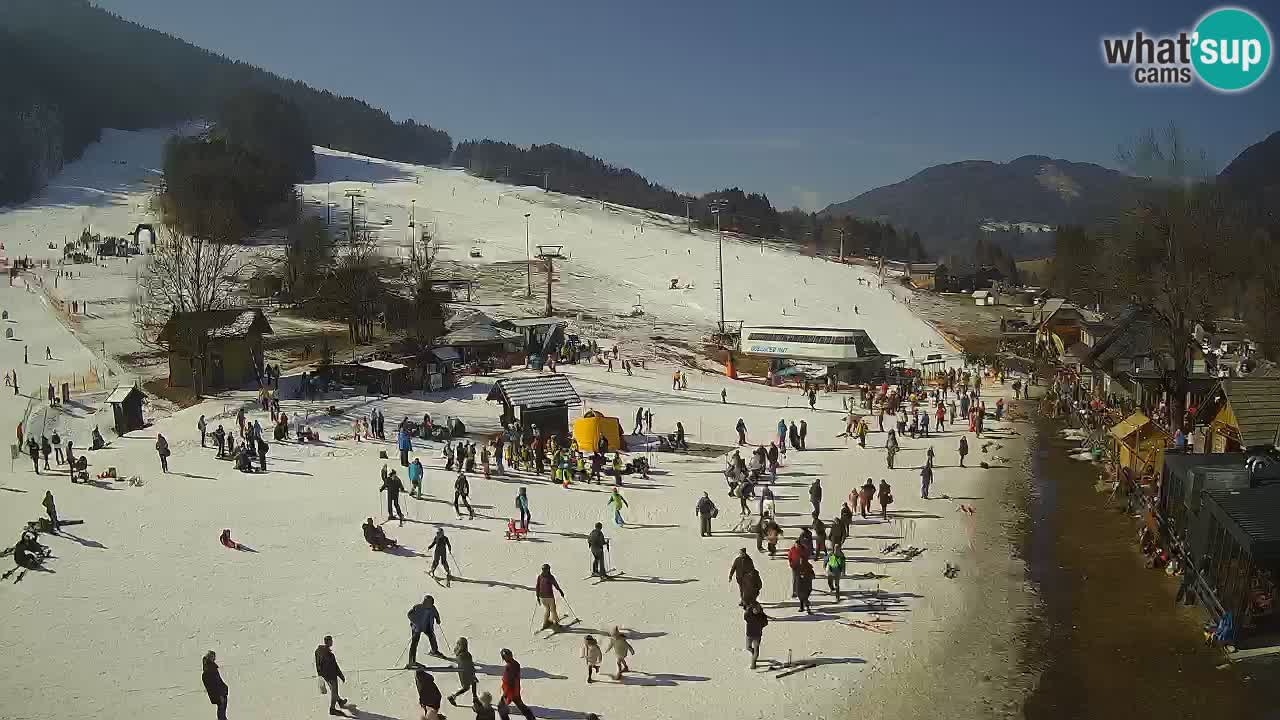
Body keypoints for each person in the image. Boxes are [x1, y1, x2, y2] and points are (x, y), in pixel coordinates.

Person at [315, 635, 348, 715]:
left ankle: (339, 701)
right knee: (334, 691)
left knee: (333, 690)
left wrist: (320, 674)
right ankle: (332, 709)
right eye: (331, 640)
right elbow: (335, 666)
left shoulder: (318, 650)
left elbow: (318, 663)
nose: (332, 642)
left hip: (324, 675)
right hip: (331, 676)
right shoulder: (329, 655)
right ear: (328, 642)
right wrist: (341, 676)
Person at [498, 649, 535, 720]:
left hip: (510, 692)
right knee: (521, 705)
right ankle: (531, 718)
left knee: (501, 708)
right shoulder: (516, 664)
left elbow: (508, 682)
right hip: (516, 690)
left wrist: (505, 695)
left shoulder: (508, 668)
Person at [407, 595, 443, 665]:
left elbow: (436, 613)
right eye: (430, 603)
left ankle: (434, 651)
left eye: (432, 603)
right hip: (417, 628)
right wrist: (415, 622)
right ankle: (411, 661)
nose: (432, 605)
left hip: (427, 627)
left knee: (432, 637)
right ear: (425, 602)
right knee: (414, 644)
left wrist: (438, 619)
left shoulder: (432, 608)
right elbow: (409, 614)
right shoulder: (417, 607)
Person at [447, 637, 479, 706]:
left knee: (471, 684)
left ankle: (474, 697)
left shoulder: (458, 652)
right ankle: (453, 696)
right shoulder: (467, 655)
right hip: (467, 672)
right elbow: (470, 665)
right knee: (468, 686)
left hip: (462, 672)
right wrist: (473, 673)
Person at [202, 651, 229, 720]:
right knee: (221, 715)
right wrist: (220, 695)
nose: (214, 658)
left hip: (220, 695)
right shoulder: (211, 670)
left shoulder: (209, 669)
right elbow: (216, 684)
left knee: (221, 714)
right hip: (220, 695)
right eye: (213, 656)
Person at [744, 602, 771, 669]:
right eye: (754, 609)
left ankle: (753, 664)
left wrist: (760, 626)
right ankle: (754, 654)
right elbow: (745, 617)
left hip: (757, 635)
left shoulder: (762, 616)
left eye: (757, 609)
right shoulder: (749, 615)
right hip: (749, 635)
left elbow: (765, 623)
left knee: (756, 650)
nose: (755, 610)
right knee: (748, 647)